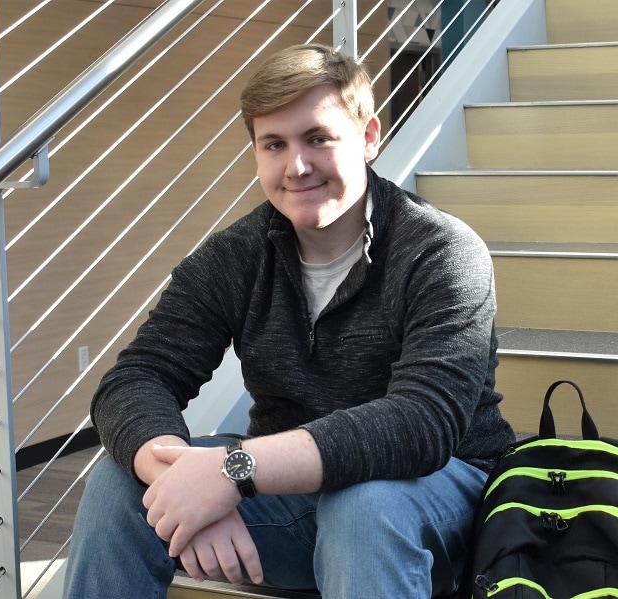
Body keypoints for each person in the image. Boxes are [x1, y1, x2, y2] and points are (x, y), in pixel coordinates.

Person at [63, 43, 515, 598]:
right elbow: (137, 378)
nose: (296, 166)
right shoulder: (234, 258)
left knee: (365, 503)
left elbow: (422, 422)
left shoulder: (441, 251)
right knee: (118, 481)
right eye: (273, 144)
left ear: (369, 137)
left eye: (318, 138)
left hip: (438, 506)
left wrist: (233, 471)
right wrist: (183, 485)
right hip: (295, 501)